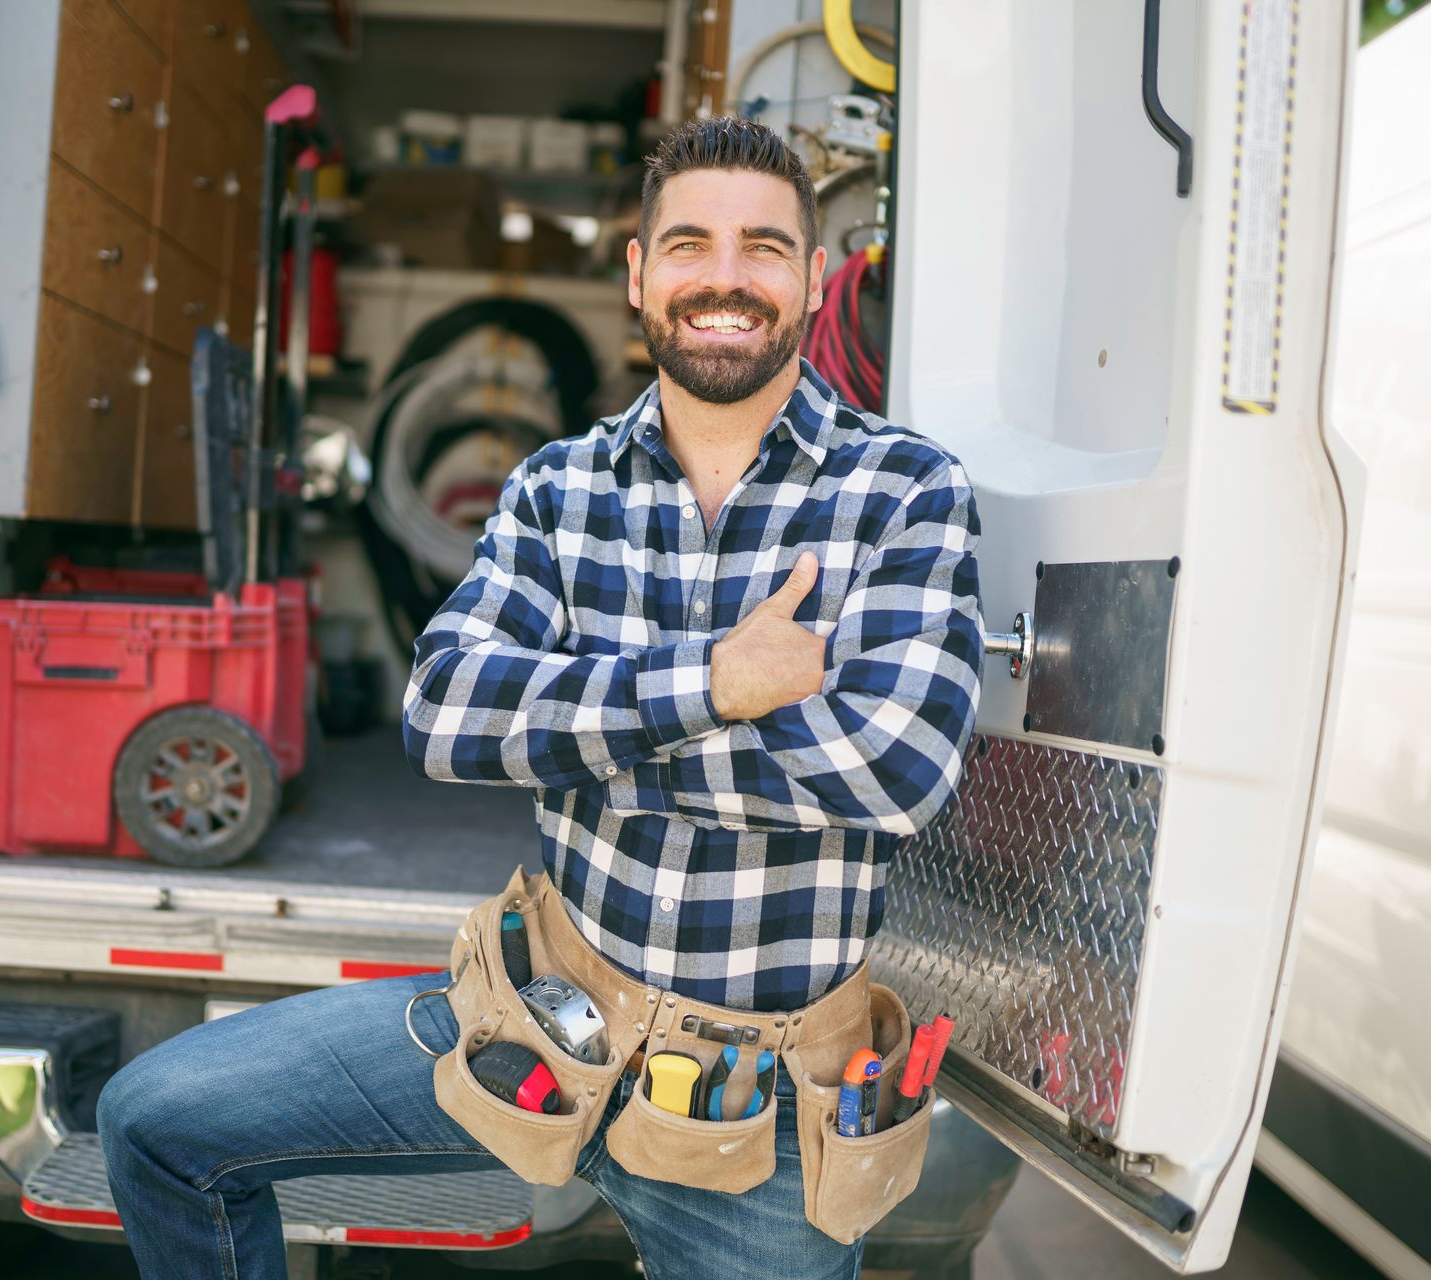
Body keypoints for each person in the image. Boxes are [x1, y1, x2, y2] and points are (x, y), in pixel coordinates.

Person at [98, 115, 982, 1280]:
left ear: (815, 278)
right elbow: (447, 714)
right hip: (534, 1026)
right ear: (638, 273)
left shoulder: (906, 490)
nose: (725, 277)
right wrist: (717, 685)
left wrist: (575, 730)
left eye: (765, 247)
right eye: (689, 244)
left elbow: (898, 770)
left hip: (762, 1110)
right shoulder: (557, 488)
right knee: (156, 1121)